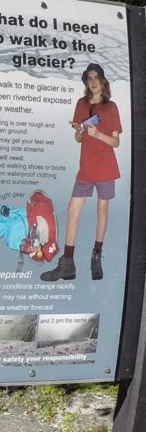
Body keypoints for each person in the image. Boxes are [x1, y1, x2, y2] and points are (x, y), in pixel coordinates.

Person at [41, 63, 121, 281]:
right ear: (86, 82)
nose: (93, 82)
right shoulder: (81, 104)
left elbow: (116, 141)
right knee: (72, 212)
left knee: (102, 211)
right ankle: (68, 264)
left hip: (105, 167)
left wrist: (97, 135)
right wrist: (79, 131)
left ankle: (96, 257)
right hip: (85, 168)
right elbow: (79, 139)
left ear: (103, 81)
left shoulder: (110, 107)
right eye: (89, 78)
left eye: (96, 77)